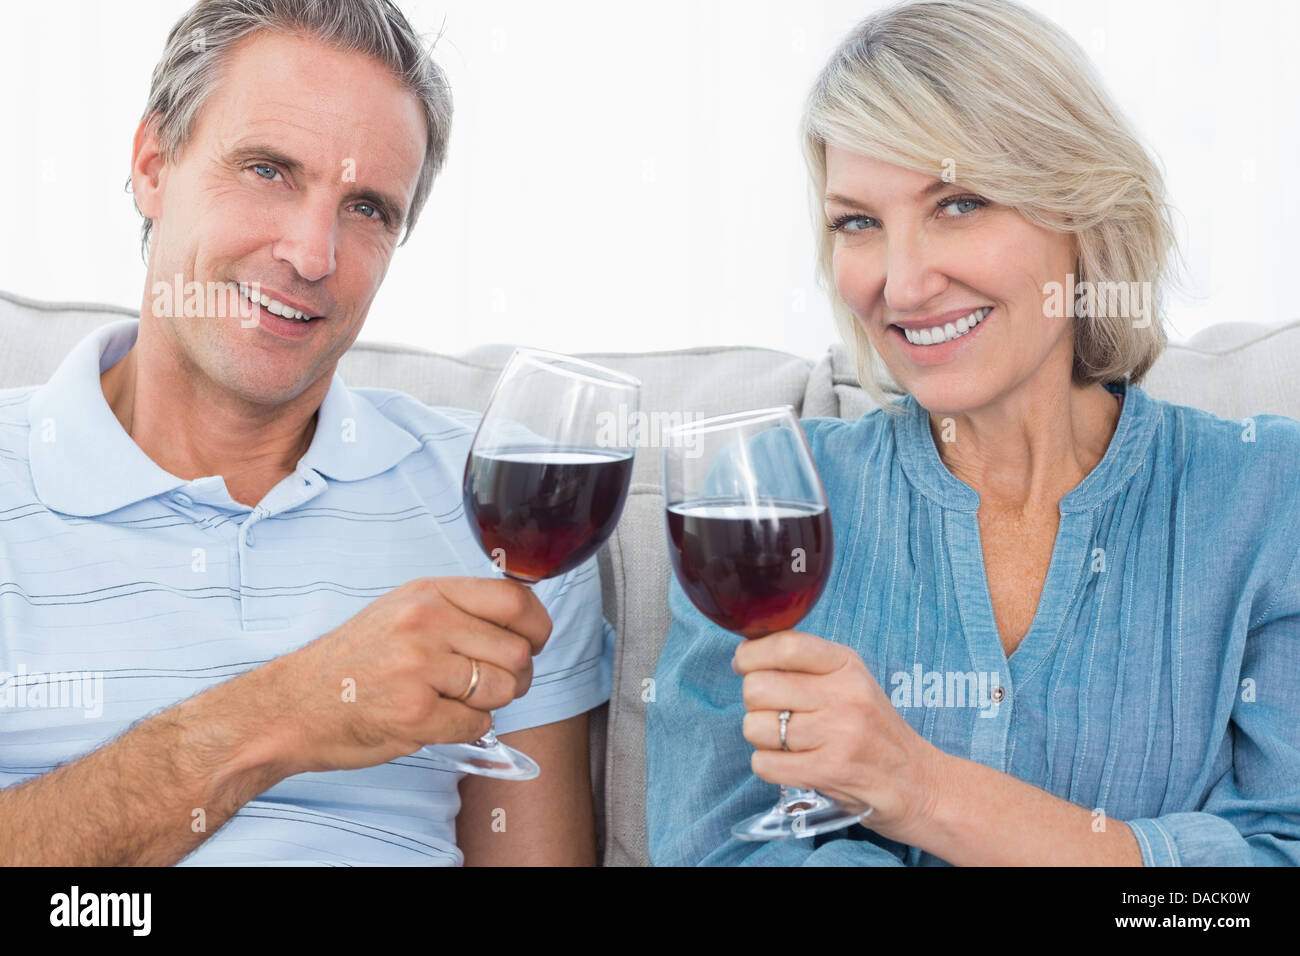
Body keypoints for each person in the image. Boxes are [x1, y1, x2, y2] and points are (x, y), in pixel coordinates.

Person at [647, 0, 1300, 866]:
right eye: (858, 222)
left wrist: (920, 790)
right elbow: (713, 851)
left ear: (1083, 215)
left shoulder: (1264, 497)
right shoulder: (762, 505)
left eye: (959, 203)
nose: (905, 284)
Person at [0, 0, 611, 866]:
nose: (312, 252)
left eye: (367, 209)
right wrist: (292, 711)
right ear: (151, 165)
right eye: (268, 171)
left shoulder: (499, 504)